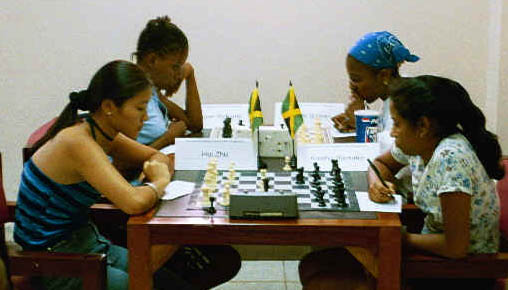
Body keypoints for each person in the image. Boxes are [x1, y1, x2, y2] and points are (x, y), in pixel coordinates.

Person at [14, 60, 239, 290]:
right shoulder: (77, 141)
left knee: (170, 277)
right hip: (57, 262)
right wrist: (159, 180)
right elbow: (134, 202)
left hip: (88, 244)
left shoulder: (100, 131)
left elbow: (157, 157)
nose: (145, 118)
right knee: (155, 267)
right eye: (139, 109)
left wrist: (153, 174)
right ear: (109, 107)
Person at [299, 75, 505, 290]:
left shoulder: (450, 158)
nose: (392, 132)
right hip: (434, 255)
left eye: (397, 124)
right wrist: (376, 183)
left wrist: (397, 239)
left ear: (423, 126)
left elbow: (455, 247)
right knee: (312, 264)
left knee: (321, 281)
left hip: (460, 272)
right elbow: (380, 164)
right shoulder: (423, 144)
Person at [134, 16, 203, 150]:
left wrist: (189, 72)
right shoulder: (128, 93)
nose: (178, 74)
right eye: (175, 67)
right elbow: (122, 162)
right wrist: (169, 137)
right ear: (152, 60)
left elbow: (194, 124)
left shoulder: (152, 92)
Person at [331, 31, 419, 135]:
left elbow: (396, 148)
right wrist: (357, 123)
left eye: (356, 79)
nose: (351, 86)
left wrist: (363, 123)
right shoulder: (392, 96)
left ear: (384, 75)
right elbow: (384, 132)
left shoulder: (406, 101)